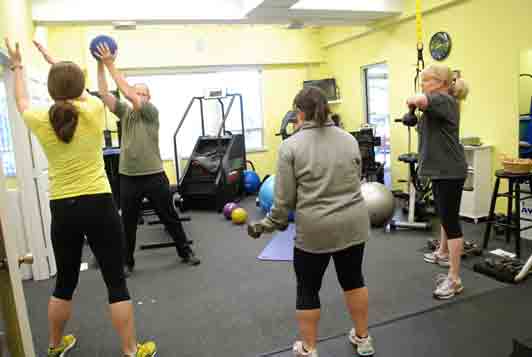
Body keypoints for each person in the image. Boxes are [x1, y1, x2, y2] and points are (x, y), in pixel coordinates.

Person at [5, 38, 156, 357]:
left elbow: (19, 99)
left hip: (63, 207)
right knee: (116, 282)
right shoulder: (92, 111)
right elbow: (91, 90)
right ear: (80, 87)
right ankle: (131, 350)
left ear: (50, 90)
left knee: (64, 283)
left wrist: (18, 66)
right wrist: (103, 63)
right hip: (98, 204)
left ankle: (55, 345)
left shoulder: (40, 118)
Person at [248, 87, 375, 357]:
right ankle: (363, 339)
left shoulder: (290, 146)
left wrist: (267, 225)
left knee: (307, 288)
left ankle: (309, 348)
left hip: (315, 229)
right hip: (353, 223)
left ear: (299, 112)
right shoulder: (349, 139)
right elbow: (357, 177)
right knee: (354, 280)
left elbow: (283, 204)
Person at [94, 43, 200, 275]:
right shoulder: (124, 112)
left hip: (154, 175)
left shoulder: (151, 113)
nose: (139, 96)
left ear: (148, 97)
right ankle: (127, 262)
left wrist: (111, 63)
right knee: (127, 224)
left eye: (142, 93)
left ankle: (185, 251)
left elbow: (129, 93)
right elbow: (104, 94)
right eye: (137, 92)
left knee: (169, 217)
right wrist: (100, 66)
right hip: (128, 178)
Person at [406, 64, 469, 300]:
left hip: (450, 170)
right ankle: (443, 252)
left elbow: (416, 98)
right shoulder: (438, 102)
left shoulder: (443, 100)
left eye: (426, 80)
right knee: (445, 214)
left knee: (451, 221)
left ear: (441, 83)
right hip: (442, 170)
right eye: (422, 81)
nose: (422, 84)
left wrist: (413, 103)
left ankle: (454, 279)